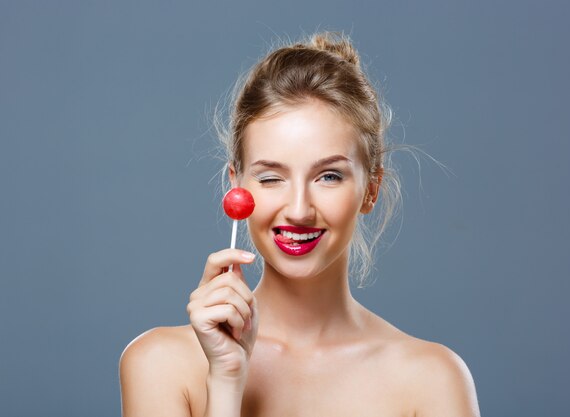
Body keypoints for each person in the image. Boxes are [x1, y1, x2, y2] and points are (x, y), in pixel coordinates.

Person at [119, 31, 481, 417]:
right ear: (236, 187)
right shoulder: (158, 365)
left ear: (371, 189)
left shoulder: (432, 380)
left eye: (328, 176)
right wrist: (225, 380)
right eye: (272, 177)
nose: (298, 210)